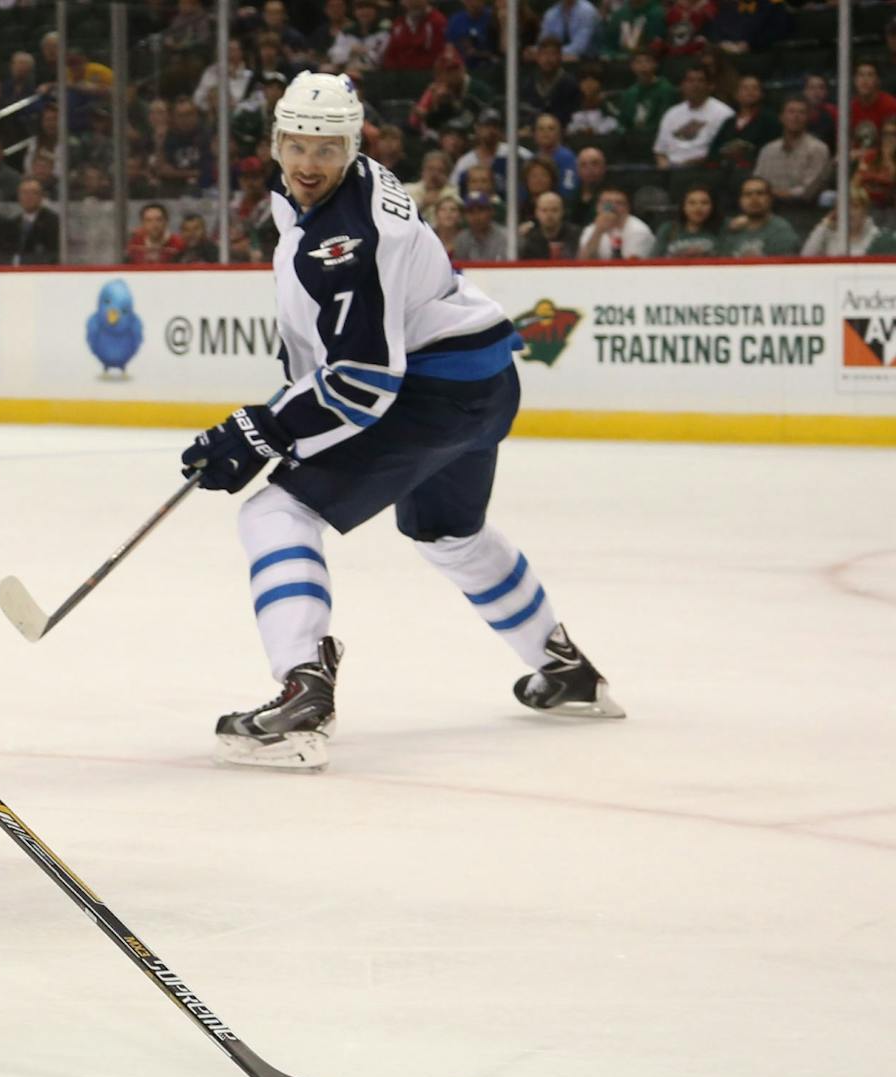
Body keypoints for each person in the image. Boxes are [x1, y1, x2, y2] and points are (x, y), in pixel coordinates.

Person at [179, 72, 623, 771]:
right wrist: (287, 406)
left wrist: (261, 429)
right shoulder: (344, 188)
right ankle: (562, 668)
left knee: (274, 515)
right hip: (483, 381)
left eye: (325, 148)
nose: (307, 162)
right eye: (296, 143)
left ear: (352, 147)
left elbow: (363, 382)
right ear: (276, 141)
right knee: (448, 531)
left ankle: (304, 693)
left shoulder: (345, 240)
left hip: (430, 395)